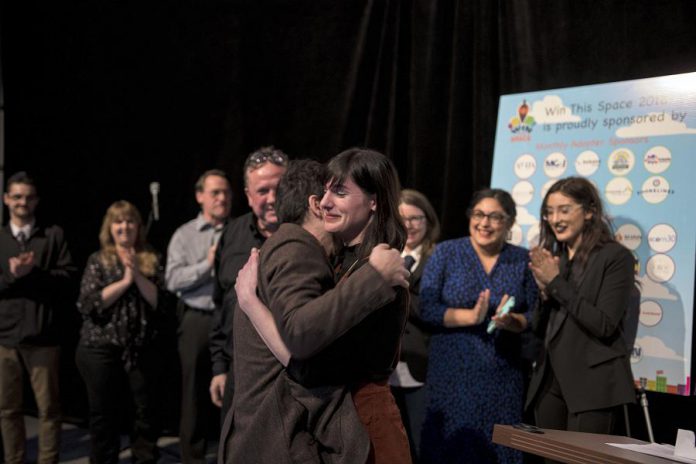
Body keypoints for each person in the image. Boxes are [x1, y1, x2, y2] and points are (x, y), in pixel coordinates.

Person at [222, 159, 410, 464]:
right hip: (329, 427)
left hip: (368, 426)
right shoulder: (322, 257)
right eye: (325, 194)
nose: (326, 202)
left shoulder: (380, 269)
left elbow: (314, 365)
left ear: (373, 202)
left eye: (339, 192)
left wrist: (252, 305)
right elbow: (308, 350)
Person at [419, 188, 538, 464]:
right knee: (448, 449)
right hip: (451, 373)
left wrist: (513, 321)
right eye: (479, 214)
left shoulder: (522, 260)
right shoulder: (446, 253)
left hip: (503, 375)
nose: (485, 223)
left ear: (509, 223)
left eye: (495, 217)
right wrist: (470, 317)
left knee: (499, 450)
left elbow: (534, 315)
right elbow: (427, 309)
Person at [526, 176, 636, 437]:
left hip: (591, 386)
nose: (555, 219)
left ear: (589, 212)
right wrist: (544, 293)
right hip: (549, 383)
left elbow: (604, 324)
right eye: (549, 212)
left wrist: (554, 283)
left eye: (564, 210)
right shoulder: (557, 258)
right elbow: (539, 327)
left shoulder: (616, 257)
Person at [76, 201, 169, 464]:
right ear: (110, 227)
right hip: (100, 349)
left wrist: (137, 275)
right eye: (118, 222)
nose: (124, 226)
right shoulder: (98, 259)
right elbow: (88, 303)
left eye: (129, 221)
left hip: (141, 349)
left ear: (138, 226)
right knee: (104, 417)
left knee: (144, 415)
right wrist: (125, 281)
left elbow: (161, 303)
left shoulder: (152, 258)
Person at [0, 172, 76, 464]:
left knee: (49, 410)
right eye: (17, 196)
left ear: (37, 200)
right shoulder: (2, 238)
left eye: (28, 197)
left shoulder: (52, 235)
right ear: (7, 199)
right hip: (6, 338)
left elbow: (68, 278)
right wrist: (11, 275)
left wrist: (34, 273)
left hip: (43, 338)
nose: (23, 202)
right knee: (8, 409)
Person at [209, 146, 288, 414]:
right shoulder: (232, 234)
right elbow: (220, 304)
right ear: (247, 195)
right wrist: (219, 368)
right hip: (239, 372)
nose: (272, 198)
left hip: (291, 375)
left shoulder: (312, 234)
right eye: (262, 191)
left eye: (279, 188)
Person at [166, 170, 231, 463]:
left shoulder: (239, 230)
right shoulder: (185, 234)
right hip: (197, 319)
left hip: (231, 320)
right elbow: (172, 280)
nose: (222, 198)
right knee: (193, 395)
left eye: (226, 192)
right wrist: (207, 264)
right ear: (200, 196)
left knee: (232, 391)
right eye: (215, 192)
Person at [389, 188, 440, 462]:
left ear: (428, 221)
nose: (408, 225)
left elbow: (435, 310)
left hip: (423, 368)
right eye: (402, 218)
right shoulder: (383, 255)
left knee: (421, 448)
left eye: (415, 218)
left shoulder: (440, 258)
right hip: (384, 369)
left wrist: (400, 288)